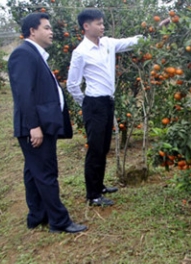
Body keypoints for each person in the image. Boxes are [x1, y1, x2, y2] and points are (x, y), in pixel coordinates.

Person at [8, 13, 87, 233]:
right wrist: (34, 126)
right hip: (35, 127)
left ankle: (37, 216)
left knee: (34, 172)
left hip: (40, 125)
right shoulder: (23, 54)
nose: (52, 32)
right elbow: (23, 94)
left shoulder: (34, 54)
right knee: (46, 173)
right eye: (47, 28)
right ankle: (59, 221)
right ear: (32, 31)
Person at [67, 8, 143, 206]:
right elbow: (72, 84)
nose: (102, 26)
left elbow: (131, 42)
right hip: (94, 103)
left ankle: (99, 185)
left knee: (103, 147)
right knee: (95, 148)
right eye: (98, 23)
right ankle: (93, 195)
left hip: (108, 101)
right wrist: (85, 103)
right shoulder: (80, 53)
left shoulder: (108, 43)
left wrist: (152, 32)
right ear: (86, 26)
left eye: (102, 23)